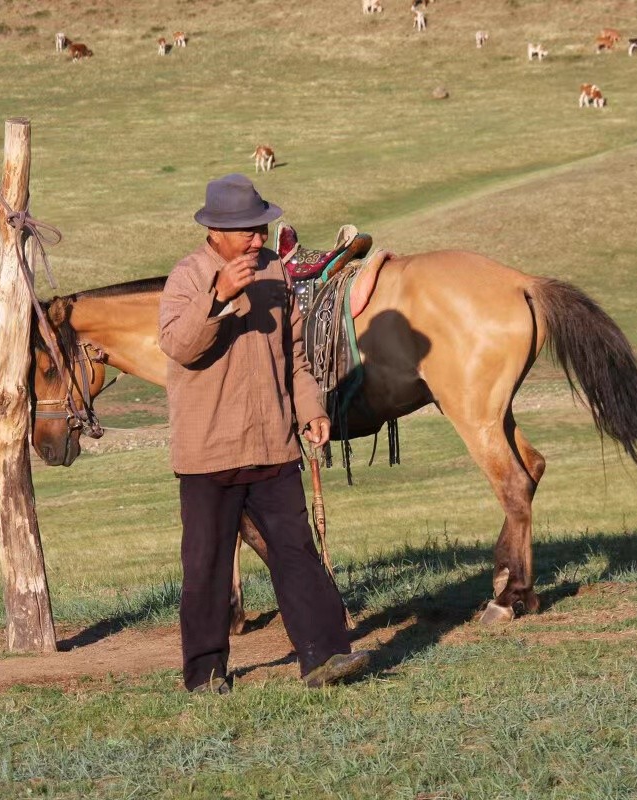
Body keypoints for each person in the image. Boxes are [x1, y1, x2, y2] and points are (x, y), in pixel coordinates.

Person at [158, 173, 371, 693]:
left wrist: (310, 410)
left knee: (296, 551)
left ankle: (324, 657)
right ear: (218, 231)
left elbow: (293, 356)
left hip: (273, 443)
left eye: (262, 227)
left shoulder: (276, 273)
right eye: (251, 230)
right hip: (208, 453)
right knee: (206, 566)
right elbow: (179, 347)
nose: (260, 238)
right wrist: (218, 298)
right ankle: (206, 674)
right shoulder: (187, 277)